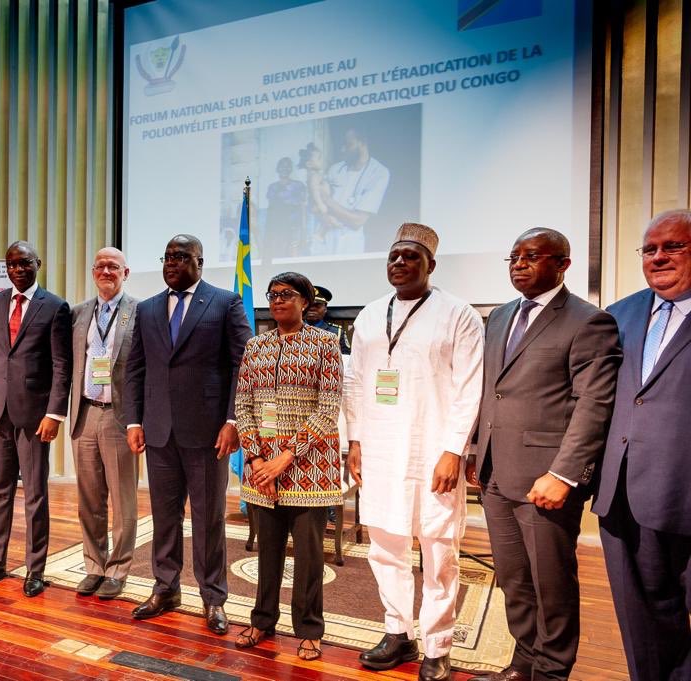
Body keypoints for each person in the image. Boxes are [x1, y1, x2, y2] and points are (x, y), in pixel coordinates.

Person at [467, 228, 621, 681]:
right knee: (514, 581)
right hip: (496, 474)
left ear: (562, 264)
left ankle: (553, 672)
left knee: (550, 584)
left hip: (545, 480)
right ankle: (524, 662)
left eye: (532, 256)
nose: (519, 263)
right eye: (513, 256)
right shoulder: (498, 317)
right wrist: (478, 450)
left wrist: (565, 474)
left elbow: (595, 404)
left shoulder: (588, 320)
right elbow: (490, 391)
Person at [344, 223, 483, 681]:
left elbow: (469, 387)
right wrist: (356, 441)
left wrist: (453, 450)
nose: (399, 264)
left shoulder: (457, 313)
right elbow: (356, 383)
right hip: (380, 451)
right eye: (393, 257)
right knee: (385, 548)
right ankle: (397, 632)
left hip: (432, 451)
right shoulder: (368, 315)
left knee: (439, 550)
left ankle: (438, 645)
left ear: (431, 265)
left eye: (410, 257)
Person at [124, 234, 252, 635]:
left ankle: (213, 597)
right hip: (159, 431)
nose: (172, 263)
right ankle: (166, 588)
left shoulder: (225, 302)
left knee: (208, 519)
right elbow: (135, 369)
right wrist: (134, 421)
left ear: (200, 261)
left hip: (208, 433)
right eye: (167, 257)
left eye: (182, 257)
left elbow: (242, 366)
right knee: (164, 517)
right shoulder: (146, 309)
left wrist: (233, 421)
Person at [592, 209, 691, 681]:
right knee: (642, 620)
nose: (659, 257)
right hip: (625, 493)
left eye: (673, 246)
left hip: (686, 491)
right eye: (649, 249)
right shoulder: (620, 313)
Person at [234, 272, 342, 661]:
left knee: (310, 557)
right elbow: (243, 404)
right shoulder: (255, 346)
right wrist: (257, 457)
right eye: (273, 295)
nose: (278, 301)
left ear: (305, 301)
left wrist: (286, 456)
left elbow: (328, 408)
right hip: (263, 469)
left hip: (311, 470)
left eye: (287, 295)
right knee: (268, 552)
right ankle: (262, 620)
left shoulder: (326, 344)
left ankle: (310, 629)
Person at [0, 241, 71, 597]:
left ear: (37, 264)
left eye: (24, 263)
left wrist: (54, 413)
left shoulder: (56, 307)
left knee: (36, 495)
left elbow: (62, 365)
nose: (18, 269)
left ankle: (35, 569)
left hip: (34, 416)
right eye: (12, 264)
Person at [68, 247, 139, 600]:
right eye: (100, 266)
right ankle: (94, 566)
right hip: (84, 413)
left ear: (126, 272)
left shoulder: (139, 312)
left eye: (113, 266)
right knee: (89, 498)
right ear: (93, 272)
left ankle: (118, 568)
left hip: (119, 416)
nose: (106, 271)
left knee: (123, 499)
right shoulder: (79, 313)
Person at [322, 127, 390, 254]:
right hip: (326, 236)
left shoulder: (379, 172)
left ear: (363, 143)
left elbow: (357, 221)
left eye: (348, 145)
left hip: (350, 243)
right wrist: (323, 214)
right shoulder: (335, 169)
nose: (343, 149)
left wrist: (327, 200)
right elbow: (316, 203)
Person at [263, 157, 307, 259]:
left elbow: (302, 207)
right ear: (277, 169)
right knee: (278, 254)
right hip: (277, 227)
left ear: (290, 169)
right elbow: (271, 210)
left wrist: (304, 229)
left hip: (293, 225)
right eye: (282, 166)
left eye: (287, 166)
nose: (284, 169)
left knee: (293, 253)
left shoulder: (298, 185)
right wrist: (268, 231)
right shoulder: (272, 187)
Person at [304, 285, 351, 355]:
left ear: (325, 308)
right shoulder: (292, 330)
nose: (312, 308)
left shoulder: (337, 332)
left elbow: (345, 358)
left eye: (317, 305)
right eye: (309, 305)